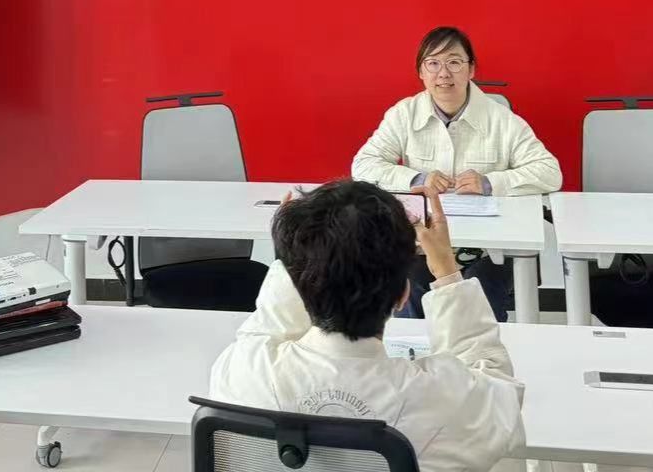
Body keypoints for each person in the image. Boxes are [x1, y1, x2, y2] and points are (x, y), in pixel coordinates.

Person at [208, 179, 525, 472]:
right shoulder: (440, 398)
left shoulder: (244, 370)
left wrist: (292, 258)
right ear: (403, 295)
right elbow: (497, 389)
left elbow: (268, 325)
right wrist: (446, 269)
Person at [351, 25, 561, 317]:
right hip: (423, 243)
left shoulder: (501, 119)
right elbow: (363, 165)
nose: (444, 74)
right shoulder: (404, 114)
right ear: (421, 72)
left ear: (471, 69)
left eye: (454, 62)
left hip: (489, 247)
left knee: (477, 299)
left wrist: (490, 182)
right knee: (411, 291)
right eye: (433, 63)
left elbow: (550, 172)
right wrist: (417, 178)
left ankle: (479, 348)